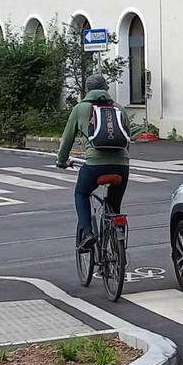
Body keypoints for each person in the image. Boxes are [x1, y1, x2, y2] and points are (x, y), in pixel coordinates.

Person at [56, 74, 131, 251]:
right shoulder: (119, 108)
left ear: (88, 90)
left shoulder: (80, 109)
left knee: (81, 194)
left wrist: (61, 161)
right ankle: (117, 231)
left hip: (95, 165)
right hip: (122, 166)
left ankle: (88, 232)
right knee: (114, 205)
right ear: (106, 88)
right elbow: (127, 140)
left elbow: (67, 140)